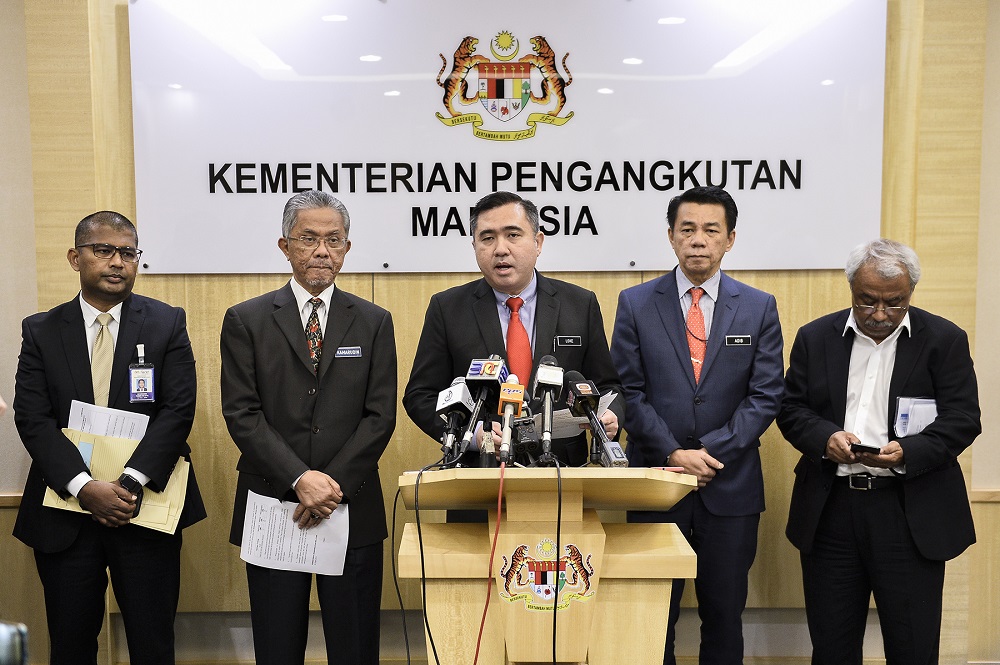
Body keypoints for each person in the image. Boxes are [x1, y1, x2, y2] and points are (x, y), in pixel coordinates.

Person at [12, 210, 205, 664]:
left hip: (144, 508)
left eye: (128, 252)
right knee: (71, 645)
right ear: (75, 258)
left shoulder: (166, 323)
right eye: (103, 250)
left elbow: (178, 412)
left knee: (153, 644)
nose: (117, 261)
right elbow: (33, 418)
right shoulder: (40, 330)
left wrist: (129, 483)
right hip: (65, 514)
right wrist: (85, 488)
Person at [777, 238, 980, 665]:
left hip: (909, 515)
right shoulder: (816, 338)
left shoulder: (943, 339)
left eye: (895, 303)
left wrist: (908, 451)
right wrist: (825, 438)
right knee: (832, 648)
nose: (881, 315)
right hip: (833, 512)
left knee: (912, 648)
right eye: (867, 302)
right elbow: (792, 409)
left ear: (911, 294)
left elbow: (963, 418)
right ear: (851, 289)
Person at [610, 186, 784, 665]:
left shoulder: (758, 306)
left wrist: (707, 451)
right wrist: (672, 453)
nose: (698, 240)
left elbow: (766, 394)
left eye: (711, 230)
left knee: (724, 616)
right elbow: (628, 392)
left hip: (730, 489)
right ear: (671, 237)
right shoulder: (635, 303)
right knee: (651, 615)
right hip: (656, 486)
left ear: (730, 239)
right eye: (687, 229)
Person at [221, 190, 396, 665]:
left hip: (350, 506)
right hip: (276, 506)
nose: (322, 250)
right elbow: (241, 413)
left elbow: (380, 416)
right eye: (309, 239)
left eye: (333, 240)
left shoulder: (375, 321)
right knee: (278, 648)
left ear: (347, 248)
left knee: (356, 648)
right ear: (284, 246)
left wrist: (330, 486)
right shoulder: (246, 320)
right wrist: (301, 480)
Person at [403, 190, 623, 468]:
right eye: (487, 238)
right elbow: (420, 396)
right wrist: (472, 436)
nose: (500, 249)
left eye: (513, 235)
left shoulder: (580, 304)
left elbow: (607, 386)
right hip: (479, 474)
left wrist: (610, 417)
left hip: (563, 473)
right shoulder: (447, 309)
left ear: (538, 242)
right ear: (474, 247)